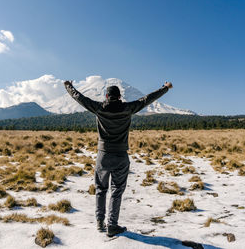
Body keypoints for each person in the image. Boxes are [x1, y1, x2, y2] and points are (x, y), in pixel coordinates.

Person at [64, 80, 173, 237]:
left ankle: (99, 222)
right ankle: (112, 225)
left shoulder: (99, 108)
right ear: (120, 96)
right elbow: (148, 99)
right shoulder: (128, 108)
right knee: (117, 191)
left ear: (106, 96)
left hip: (103, 155)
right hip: (121, 155)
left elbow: (79, 98)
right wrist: (165, 88)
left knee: (101, 189)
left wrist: (69, 86)